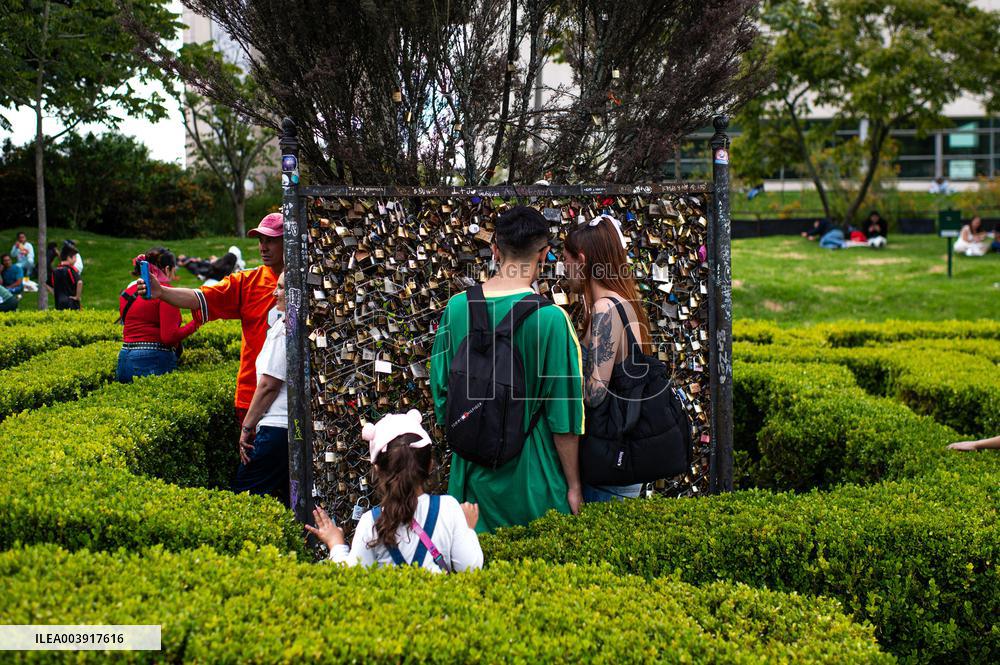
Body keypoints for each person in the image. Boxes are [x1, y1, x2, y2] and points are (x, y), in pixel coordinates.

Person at [430, 205, 585, 533]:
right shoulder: (553, 321)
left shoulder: (457, 308)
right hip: (534, 484)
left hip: (470, 481)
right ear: (543, 255)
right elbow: (564, 416)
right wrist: (573, 485)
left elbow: (442, 395)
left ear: (495, 250)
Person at [138, 212, 283, 430]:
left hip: (296, 397)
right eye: (261, 240)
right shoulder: (247, 282)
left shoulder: (313, 280)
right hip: (252, 396)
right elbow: (200, 297)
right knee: (254, 463)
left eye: (271, 240)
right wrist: (162, 292)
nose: (263, 247)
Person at [306, 410, 483, 573]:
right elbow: (471, 568)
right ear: (430, 465)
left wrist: (336, 544)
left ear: (376, 470)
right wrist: (467, 529)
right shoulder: (449, 508)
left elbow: (351, 577)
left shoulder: (371, 523)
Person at [561, 215, 651, 502]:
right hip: (622, 461)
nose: (563, 269)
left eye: (566, 260)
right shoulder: (623, 302)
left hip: (609, 467)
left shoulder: (604, 309)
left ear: (583, 260)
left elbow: (594, 393)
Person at [233, 271, 290, 506]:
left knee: (243, 495)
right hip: (289, 427)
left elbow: (269, 385)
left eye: (282, 288)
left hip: (276, 427)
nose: (275, 292)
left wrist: (247, 427)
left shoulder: (284, 329)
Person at [117, 249, 201, 383]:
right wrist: (197, 322)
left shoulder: (127, 293)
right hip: (153, 359)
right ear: (167, 269)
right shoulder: (166, 294)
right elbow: (169, 337)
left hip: (124, 357)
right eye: (174, 271)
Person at [46, 244, 83, 310]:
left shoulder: (55, 270)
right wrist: (77, 297)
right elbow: (79, 282)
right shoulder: (71, 270)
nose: (76, 260)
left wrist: (55, 293)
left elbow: (47, 284)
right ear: (69, 258)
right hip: (72, 303)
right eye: (75, 257)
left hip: (59, 303)